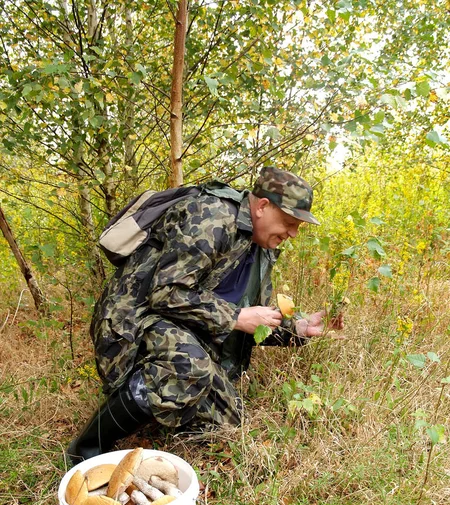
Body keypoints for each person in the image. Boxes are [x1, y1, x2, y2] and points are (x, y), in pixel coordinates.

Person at [67, 166, 343, 465]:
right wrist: (235, 317)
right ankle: (87, 446)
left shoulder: (262, 247)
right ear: (262, 206)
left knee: (228, 423)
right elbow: (166, 294)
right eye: (289, 222)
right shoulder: (212, 216)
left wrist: (298, 328)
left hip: (182, 326)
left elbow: (255, 319)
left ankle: (154, 397)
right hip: (134, 320)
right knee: (189, 366)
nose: (292, 233)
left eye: (298, 226)